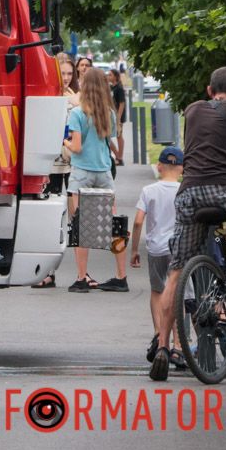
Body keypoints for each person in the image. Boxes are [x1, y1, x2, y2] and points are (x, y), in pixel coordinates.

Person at [152, 66, 226, 381]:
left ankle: (162, 346)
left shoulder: (193, 110)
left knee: (176, 270)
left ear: (208, 89)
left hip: (189, 195)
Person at [63, 68, 126, 292]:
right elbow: (107, 141)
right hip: (104, 172)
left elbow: (77, 147)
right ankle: (121, 276)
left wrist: (65, 142)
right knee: (114, 224)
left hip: (82, 174)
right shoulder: (108, 113)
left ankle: (81, 278)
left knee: (81, 225)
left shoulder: (77, 114)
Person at [131, 146, 184, 370]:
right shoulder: (184, 190)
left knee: (157, 291)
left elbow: (138, 221)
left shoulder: (149, 190)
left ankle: (158, 334)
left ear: (159, 166)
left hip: (155, 249)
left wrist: (134, 249)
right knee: (178, 293)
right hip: (179, 249)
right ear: (181, 169)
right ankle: (179, 345)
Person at [34, 55, 80, 289]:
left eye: (70, 74)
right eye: (63, 73)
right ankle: (48, 271)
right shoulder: (48, 95)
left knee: (75, 217)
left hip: (71, 162)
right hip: (50, 163)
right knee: (52, 220)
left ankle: (82, 273)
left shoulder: (74, 97)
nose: (66, 78)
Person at [108, 69, 127, 166]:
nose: (108, 76)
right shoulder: (112, 87)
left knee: (119, 135)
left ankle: (120, 157)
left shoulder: (119, 88)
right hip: (112, 115)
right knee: (108, 136)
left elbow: (122, 103)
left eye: (110, 75)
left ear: (115, 76)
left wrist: (118, 118)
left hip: (118, 116)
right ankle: (117, 155)